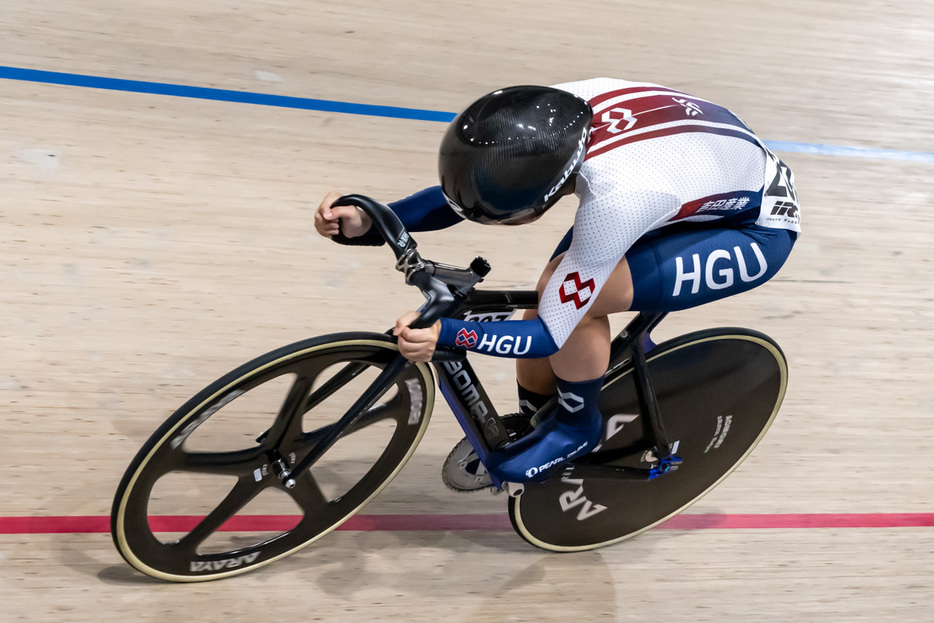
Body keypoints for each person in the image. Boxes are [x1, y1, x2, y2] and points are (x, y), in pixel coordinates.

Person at [314, 78, 800, 489]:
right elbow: (470, 191)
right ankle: (538, 416)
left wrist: (449, 334)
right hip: (692, 170)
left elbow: (552, 332)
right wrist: (371, 221)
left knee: (568, 303)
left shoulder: (619, 200)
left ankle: (576, 428)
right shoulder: (542, 116)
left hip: (753, 226)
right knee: (562, 288)